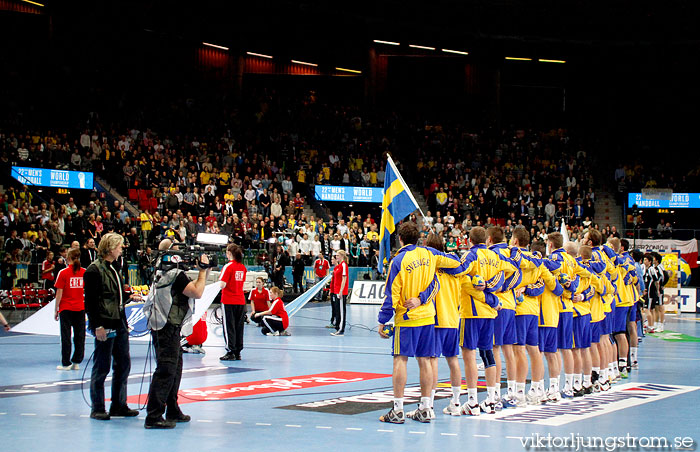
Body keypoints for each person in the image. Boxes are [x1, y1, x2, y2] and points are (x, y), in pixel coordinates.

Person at [377, 222, 466, 424]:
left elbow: (391, 295)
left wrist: (382, 320)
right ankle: (426, 408)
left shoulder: (398, 260)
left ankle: (398, 410)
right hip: (428, 318)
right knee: (425, 360)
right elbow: (452, 268)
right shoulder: (430, 255)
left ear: (400, 238)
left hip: (407, 319)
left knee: (400, 359)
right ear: (418, 238)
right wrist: (422, 298)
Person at [143, 238, 211, 429]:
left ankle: (172, 408)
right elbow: (197, 292)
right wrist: (203, 271)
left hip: (168, 326)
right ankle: (154, 415)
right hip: (166, 326)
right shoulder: (174, 274)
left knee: (175, 367)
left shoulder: (161, 271)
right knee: (166, 370)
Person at [85, 232, 143, 421]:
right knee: (102, 367)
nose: (121, 248)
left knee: (123, 364)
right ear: (110, 248)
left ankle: (119, 405)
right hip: (106, 324)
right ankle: (97, 407)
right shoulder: (94, 270)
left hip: (119, 323)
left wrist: (128, 298)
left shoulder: (114, 268)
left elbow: (113, 296)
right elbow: (92, 302)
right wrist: (97, 326)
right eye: (119, 246)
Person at [54, 248, 86, 371]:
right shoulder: (84, 272)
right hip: (79, 308)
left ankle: (66, 363)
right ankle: (77, 361)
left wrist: (56, 309)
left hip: (66, 308)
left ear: (68, 258)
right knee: (79, 336)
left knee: (66, 336)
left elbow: (59, 293)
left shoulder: (63, 273)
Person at [219, 244, 247, 361]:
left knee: (229, 326)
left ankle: (230, 350)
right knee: (239, 326)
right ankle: (237, 351)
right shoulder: (242, 267)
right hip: (240, 300)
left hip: (229, 300)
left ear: (229, 253)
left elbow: (222, 284)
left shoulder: (228, 266)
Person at [330, 250, 349, 337]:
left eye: (337, 255)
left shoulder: (344, 265)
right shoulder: (338, 266)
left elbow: (344, 278)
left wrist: (341, 291)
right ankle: (338, 328)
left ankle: (341, 329)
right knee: (337, 310)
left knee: (342, 311)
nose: (336, 257)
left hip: (341, 292)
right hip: (336, 291)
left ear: (341, 256)